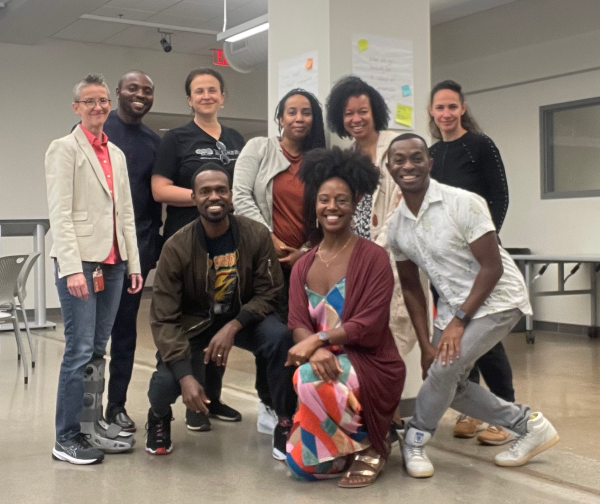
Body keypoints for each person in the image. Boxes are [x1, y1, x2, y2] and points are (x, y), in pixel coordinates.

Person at [386, 133, 558, 478]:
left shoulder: (463, 203)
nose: (408, 166)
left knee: (445, 370)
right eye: (400, 160)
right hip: (453, 304)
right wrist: (424, 344)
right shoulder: (397, 226)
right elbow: (411, 288)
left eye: (417, 158)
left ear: (429, 164)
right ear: (388, 168)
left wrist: (459, 322)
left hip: (497, 298)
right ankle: (529, 425)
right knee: (445, 378)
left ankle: (416, 439)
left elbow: (492, 268)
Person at [145, 164, 297, 460]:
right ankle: (159, 416)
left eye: (220, 190)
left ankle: (285, 419)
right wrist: (185, 376)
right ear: (194, 197)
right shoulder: (176, 247)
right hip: (194, 325)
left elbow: (270, 291)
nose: (214, 196)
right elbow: (163, 317)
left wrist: (234, 326)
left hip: (243, 318)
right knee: (166, 382)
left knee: (280, 338)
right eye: (205, 191)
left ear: (230, 195)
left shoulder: (255, 234)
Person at [285, 147, 405, 488]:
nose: (332, 208)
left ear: (355, 204)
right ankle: (347, 445)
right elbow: (297, 322)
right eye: (324, 200)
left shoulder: (374, 257)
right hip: (324, 360)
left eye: (341, 200)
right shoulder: (304, 264)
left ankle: (372, 443)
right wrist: (316, 348)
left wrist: (319, 340)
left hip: (370, 361)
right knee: (301, 468)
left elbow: (369, 324)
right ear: (315, 205)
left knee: (306, 378)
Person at [46, 74, 142, 465]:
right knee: (79, 349)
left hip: (114, 262)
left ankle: (90, 425)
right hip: (80, 263)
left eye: (103, 100)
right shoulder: (63, 148)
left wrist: (133, 261)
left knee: (98, 348)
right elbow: (60, 213)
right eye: (89, 102)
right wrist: (71, 268)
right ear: (76, 108)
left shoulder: (115, 153)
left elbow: (126, 214)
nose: (98, 107)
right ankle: (66, 437)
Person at [152, 68, 245, 430]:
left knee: (222, 317)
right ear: (189, 99)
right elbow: (159, 189)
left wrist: (224, 204)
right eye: (198, 91)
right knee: (193, 323)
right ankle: (193, 406)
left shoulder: (236, 138)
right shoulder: (176, 138)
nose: (206, 96)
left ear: (223, 97)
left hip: (228, 243)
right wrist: (209, 199)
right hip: (187, 242)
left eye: (213, 90)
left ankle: (213, 398)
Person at [326, 75, 423, 425]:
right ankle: (378, 418)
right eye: (349, 113)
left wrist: (372, 256)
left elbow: (399, 211)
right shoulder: (349, 156)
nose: (356, 119)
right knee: (364, 341)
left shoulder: (395, 148)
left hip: (391, 260)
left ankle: (389, 418)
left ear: (375, 112)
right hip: (355, 261)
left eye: (363, 111)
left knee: (391, 341)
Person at [232, 88, 325, 435]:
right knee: (272, 335)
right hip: (262, 261)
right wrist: (272, 241)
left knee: (303, 334)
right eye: (291, 112)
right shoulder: (259, 148)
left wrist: (303, 251)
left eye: (306, 112)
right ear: (280, 118)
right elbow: (240, 196)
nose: (298, 119)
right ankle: (269, 403)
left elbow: (329, 208)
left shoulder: (320, 159)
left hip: (307, 262)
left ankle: (298, 404)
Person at [428, 79, 514, 445]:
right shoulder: (431, 153)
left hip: (479, 260)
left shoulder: (480, 145)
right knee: (455, 336)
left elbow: (500, 197)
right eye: (439, 107)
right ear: (431, 113)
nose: (446, 113)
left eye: (452, 106)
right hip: (443, 263)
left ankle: (505, 410)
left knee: (483, 336)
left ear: (463, 108)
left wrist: (484, 245)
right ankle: (473, 408)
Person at [100, 71, 163, 432]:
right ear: (118, 92)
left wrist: (148, 250)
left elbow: (153, 204)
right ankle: (86, 410)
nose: (140, 95)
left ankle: (117, 406)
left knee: (125, 334)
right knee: (91, 340)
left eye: (147, 90)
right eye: (133, 88)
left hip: (134, 254)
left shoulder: (154, 142)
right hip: (96, 253)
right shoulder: (98, 131)